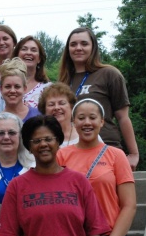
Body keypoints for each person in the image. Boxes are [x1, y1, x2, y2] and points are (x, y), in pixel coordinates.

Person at [0, 115, 109, 236]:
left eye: (48, 139)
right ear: (28, 146)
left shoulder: (79, 182)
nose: (43, 145)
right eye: (36, 141)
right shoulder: (16, 186)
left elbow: (94, 232)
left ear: (58, 142)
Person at [57, 98, 137, 236]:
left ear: (101, 122)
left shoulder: (116, 155)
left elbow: (129, 206)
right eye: (81, 118)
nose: (87, 123)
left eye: (92, 117)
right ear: (73, 122)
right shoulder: (61, 155)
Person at [58, 27, 139, 170]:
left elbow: (123, 117)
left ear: (93, 47)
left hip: (105, 146)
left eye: (84, 43)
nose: (78, 48)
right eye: (73, 44)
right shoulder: (63, 82)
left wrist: (133, 153)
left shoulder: (109, 74)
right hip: (72, 150)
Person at [0, 58, 40, 153]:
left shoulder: (37, 116)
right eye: (8, 86)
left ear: (24, 88)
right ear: (0, 89)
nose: (12, 91)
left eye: (17, 86)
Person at [0, 112, 34, 203]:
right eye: (0, 133)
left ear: (20, 136)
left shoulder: (35, 167)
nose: (6, 137)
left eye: (12, 133)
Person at [0, 36, 51, 112]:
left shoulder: (48, 88)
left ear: (39, 59)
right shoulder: (0, 85)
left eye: (33, 50)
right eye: (24, 49)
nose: (28, 53)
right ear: (17, 55)